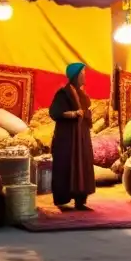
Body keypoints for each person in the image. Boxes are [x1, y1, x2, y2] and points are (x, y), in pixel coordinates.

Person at [48, 62, 96, 209]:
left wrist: (87, 115)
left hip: (81, 137)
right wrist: (74, 114)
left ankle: (81, 201)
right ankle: (64, 199)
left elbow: (86, 111)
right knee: (67, 165)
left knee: (83, 165)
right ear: (76, 76)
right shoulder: (63, 93)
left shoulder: (83, 95)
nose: (85, 76)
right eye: (83, 73)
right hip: (68, 137)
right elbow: (55, 113)